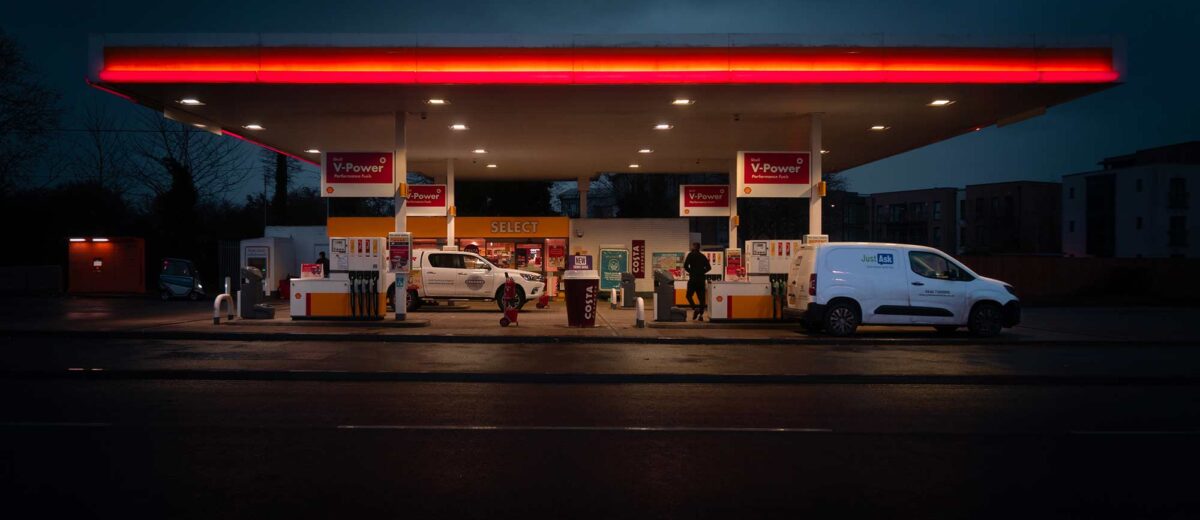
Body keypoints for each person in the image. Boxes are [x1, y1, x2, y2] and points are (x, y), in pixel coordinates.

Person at [682, 242, 711, 321]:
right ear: (699, 248)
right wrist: (702, 272)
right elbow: (709, 267)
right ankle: (701, 316)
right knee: (701, 299)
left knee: (688, 295)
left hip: (693, 280)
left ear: (694, 247)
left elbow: (685, 266)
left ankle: (695, 308)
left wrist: (691, 271)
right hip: (701, 280)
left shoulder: (690, 255)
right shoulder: (702, 256)